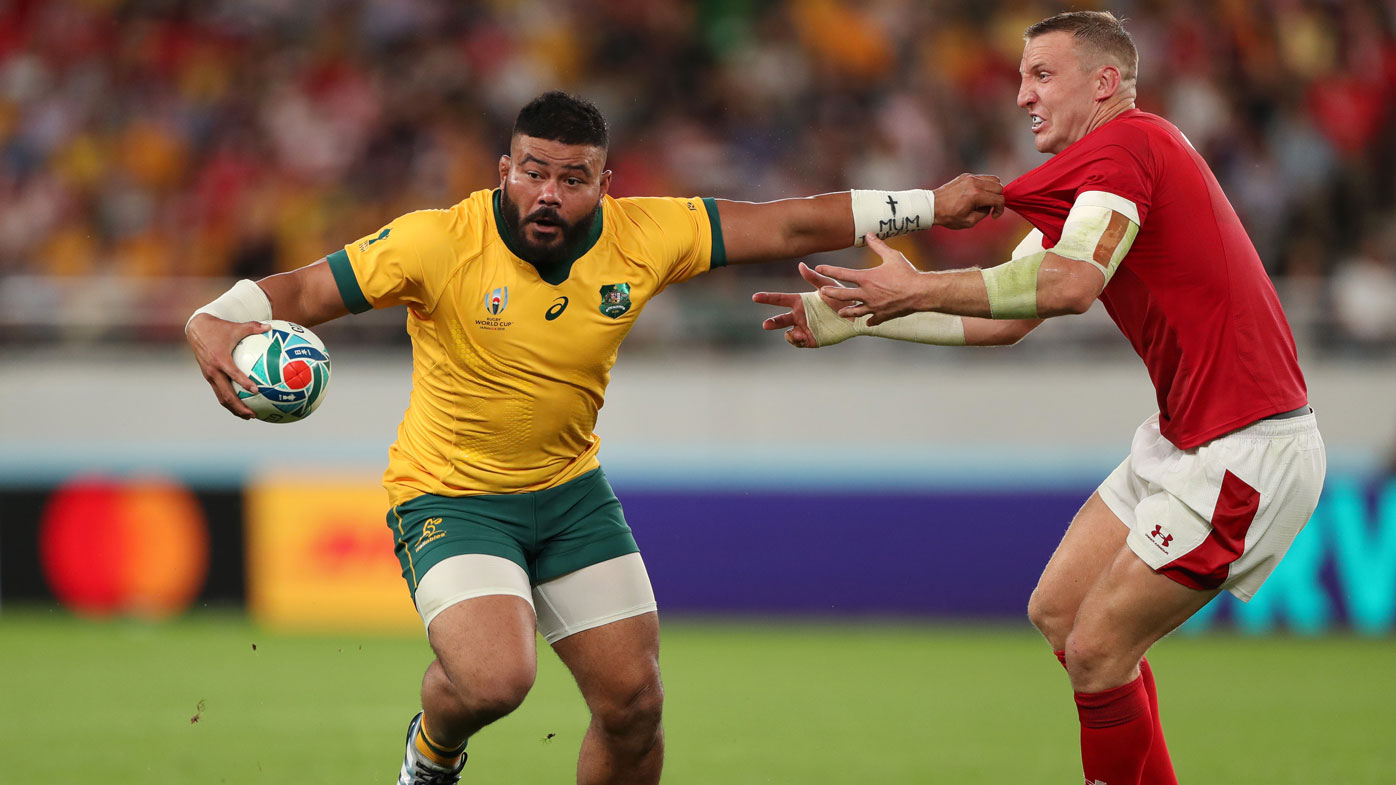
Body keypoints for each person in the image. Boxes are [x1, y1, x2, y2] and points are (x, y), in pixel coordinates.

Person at [185, 90, 1003, 785]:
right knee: (497, 678)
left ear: (603, 185)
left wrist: (931, 204)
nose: (549, 193)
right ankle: (431, 754)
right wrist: (215, 315)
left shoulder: (643, 234)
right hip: (451, 495)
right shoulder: (435, 243)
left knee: (634, 706)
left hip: (570, 494)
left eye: (572, 179)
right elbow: (303, 289)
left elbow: (787, 224)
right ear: (504, 171)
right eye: (533, 171)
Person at [755, 12, 1326, 785]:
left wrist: (917, 283)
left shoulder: (1130, 147)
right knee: (1060, 612)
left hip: (1245, 449)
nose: (1021, 94)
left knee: (1097, 653)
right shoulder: (1102, 174)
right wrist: (864, 318)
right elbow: (1007, 322)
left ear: (1105, 83)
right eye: (1021, 76)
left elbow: (1070, 284)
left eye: (1042, 76)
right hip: (1185, 438)